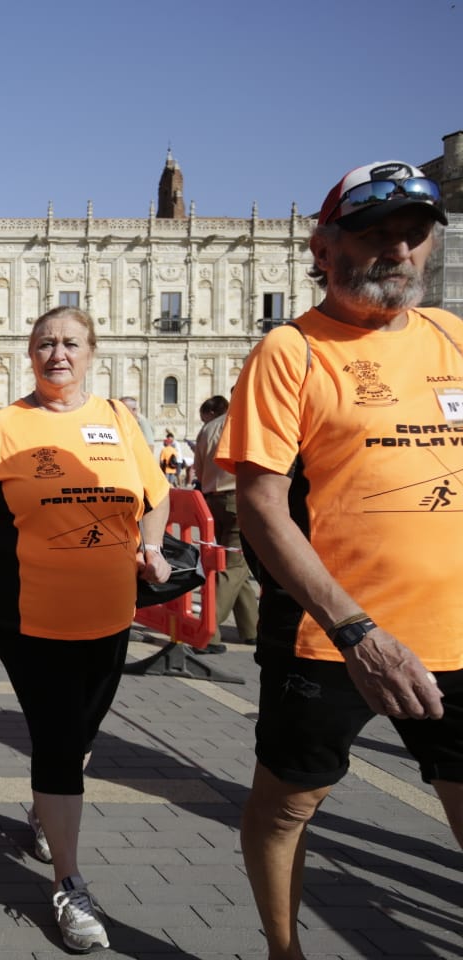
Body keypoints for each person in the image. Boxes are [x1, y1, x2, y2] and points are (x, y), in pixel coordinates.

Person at [216, 160, 463, 960]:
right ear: (323, 248)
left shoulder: (456, 340)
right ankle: (284, 950)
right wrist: (358, 631)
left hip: (457, 633)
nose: (395, 248)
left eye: (412, 233)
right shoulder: (290, 353)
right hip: (331, 639)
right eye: (372, 232)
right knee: (289, 804)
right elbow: (259, 505)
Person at [0, 305, 171, 954]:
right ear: (29, 355)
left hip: (112, 614)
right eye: (44, 344)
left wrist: (153, 546)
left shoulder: (118, 421)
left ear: (92, 351)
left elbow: (158, 493)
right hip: (28, 615)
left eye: (69, 343)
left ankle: (45, 809)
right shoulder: (4, 428)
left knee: (82, 735)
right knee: (59, 743)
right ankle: (70, 883)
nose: (57, 353)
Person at [194, 395, 256, 651]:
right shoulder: (242, 423)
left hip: (212, 501)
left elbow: (197, 468)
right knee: (235, 565)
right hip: (238, 498)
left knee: (232, 563)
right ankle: (207, 631)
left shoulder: (207, 428)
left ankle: (252, 628)